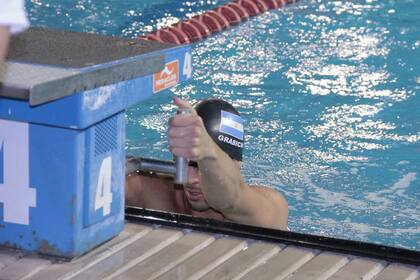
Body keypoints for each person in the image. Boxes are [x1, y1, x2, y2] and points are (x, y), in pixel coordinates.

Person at [126, 96, 288, 230]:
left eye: (202, 167)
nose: (190, 180)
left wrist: (208, 152)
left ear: (236, 165)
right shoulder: (153, 189)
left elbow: (232, 199)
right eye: (185, 163)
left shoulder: (270, 207)